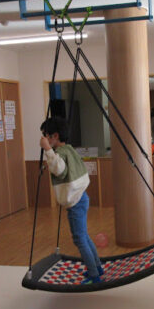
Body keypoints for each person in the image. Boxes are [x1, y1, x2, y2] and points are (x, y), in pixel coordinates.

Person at [39, 117, 103, 283]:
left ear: (55, 136)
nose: (44, 139)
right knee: (84, 236)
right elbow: (64, 167)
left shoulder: (59, 153)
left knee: (79, 239)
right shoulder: (69, 149)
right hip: (82, 197)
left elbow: (60, 169)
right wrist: (49, 159)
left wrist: (47, 150)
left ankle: (94, 275)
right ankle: (97, 267)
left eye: (46, 135)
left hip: (75, 202)